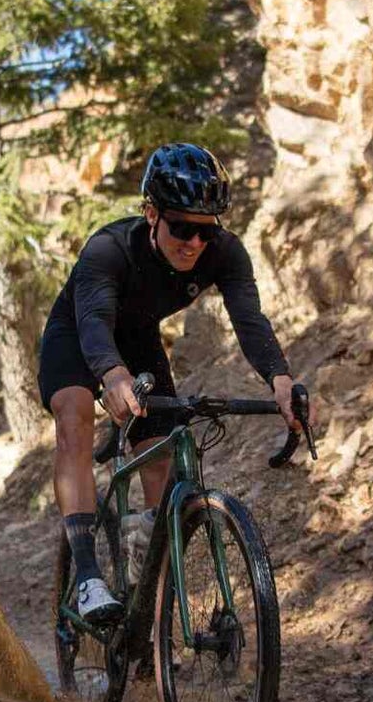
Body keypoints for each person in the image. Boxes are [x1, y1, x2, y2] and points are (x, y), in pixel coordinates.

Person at [37, 142, 304, 623]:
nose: (194, 243)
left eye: (206, 230)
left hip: (137, 339)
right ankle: (89, 578)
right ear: (151, 214)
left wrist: (280, 381)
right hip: (77, 335)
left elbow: (249, 320)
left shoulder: (224, 253)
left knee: (159, 453)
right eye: (181, 227)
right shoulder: (109, 248)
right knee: (74, 418)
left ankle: (147, 606)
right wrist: (112, 376)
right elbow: (95, 320)